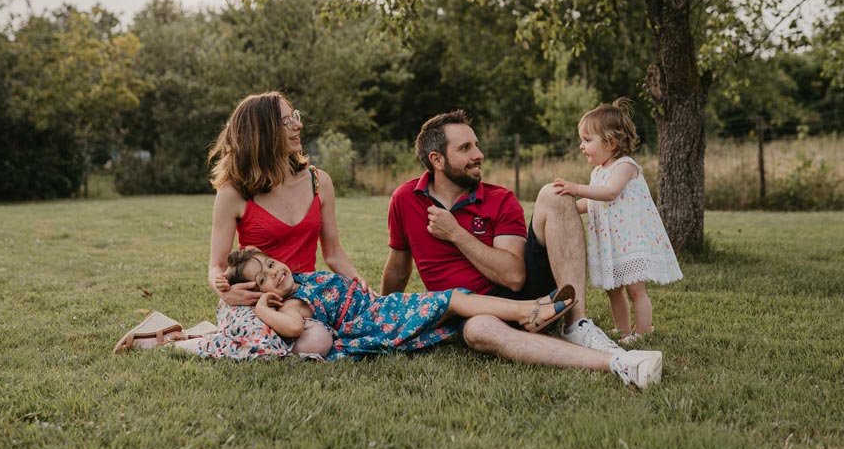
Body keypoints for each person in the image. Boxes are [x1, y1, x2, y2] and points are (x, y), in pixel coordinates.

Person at [379, 110, 663, 387]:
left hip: (532, 293)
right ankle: (613, 361)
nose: (478, 154)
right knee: (478, 331)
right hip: (475, 313)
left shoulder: (499, 199)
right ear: (437, 159)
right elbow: (398, 267)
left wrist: (456, 234)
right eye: (465, 148)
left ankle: (576, 324)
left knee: (554, 194)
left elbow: (514, 276)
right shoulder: (405, 199)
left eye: (476, 145)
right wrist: (382, 315)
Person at [115, 91, 365, 359]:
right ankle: (166, 341)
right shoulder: (233, 192)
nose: (298, 125)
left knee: (316, 341)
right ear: (262, 133)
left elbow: (333, 252)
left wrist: (361, 286)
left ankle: (208, 335)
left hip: (298, 298)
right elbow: (216, 266)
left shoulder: (319, 182)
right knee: (268, 346)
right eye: (285, 122)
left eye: (295, 117)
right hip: (252, 299)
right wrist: (226, 292)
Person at [216, 248, 576, 359]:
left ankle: (529, 313)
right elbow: (294, 329)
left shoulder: (303, 278)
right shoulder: (292, 304)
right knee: (451, 299)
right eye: (262, 278)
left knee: (454, 304)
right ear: (260, 291)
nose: (274, 272)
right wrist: (264, 307)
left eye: (270, 263)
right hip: (376, 322)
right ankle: (531, 309)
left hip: (382, 307)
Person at [553, 98, 683, 344]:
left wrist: (576, 188)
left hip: (630, 241)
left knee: (636, 290)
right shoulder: (598, 172)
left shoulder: (625, 166)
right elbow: (593, 203)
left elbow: (610, 193)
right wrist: (566, 207)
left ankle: (643, 332)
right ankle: (622, 330)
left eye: (587, 140)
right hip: (611, 244)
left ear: (611, 141)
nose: (582, 146)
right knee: (613, 290)